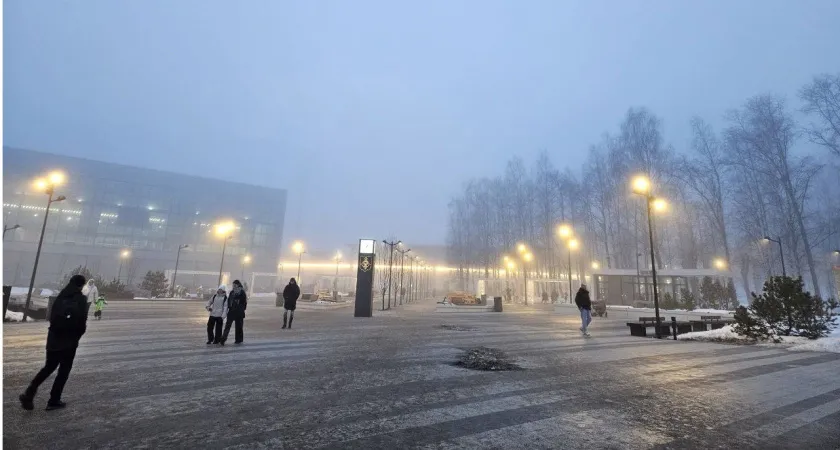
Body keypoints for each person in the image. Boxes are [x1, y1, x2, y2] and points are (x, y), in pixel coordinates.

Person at [19, 274, 88, 411]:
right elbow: (82, 323)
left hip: (54, 339)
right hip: (69, 342)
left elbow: (52, 317)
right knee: (63, 371)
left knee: (48, 368)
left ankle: (29, 393)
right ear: (82, 285)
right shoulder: (81, 299)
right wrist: (76, 337)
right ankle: (54, 400)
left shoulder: (60, 297)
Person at [221, 280, 247, 345]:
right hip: (231, 311)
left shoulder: (242, 292)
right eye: (233, 285)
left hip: (239, 312)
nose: (234, 286)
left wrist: (242, 309)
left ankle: (239, 339)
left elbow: (244, 302)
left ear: (238, 285)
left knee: (239, 326)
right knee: (227, 326)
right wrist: (229, 307)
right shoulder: (232, 292)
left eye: (235, 285)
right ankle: (223, 339)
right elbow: (229, 300)